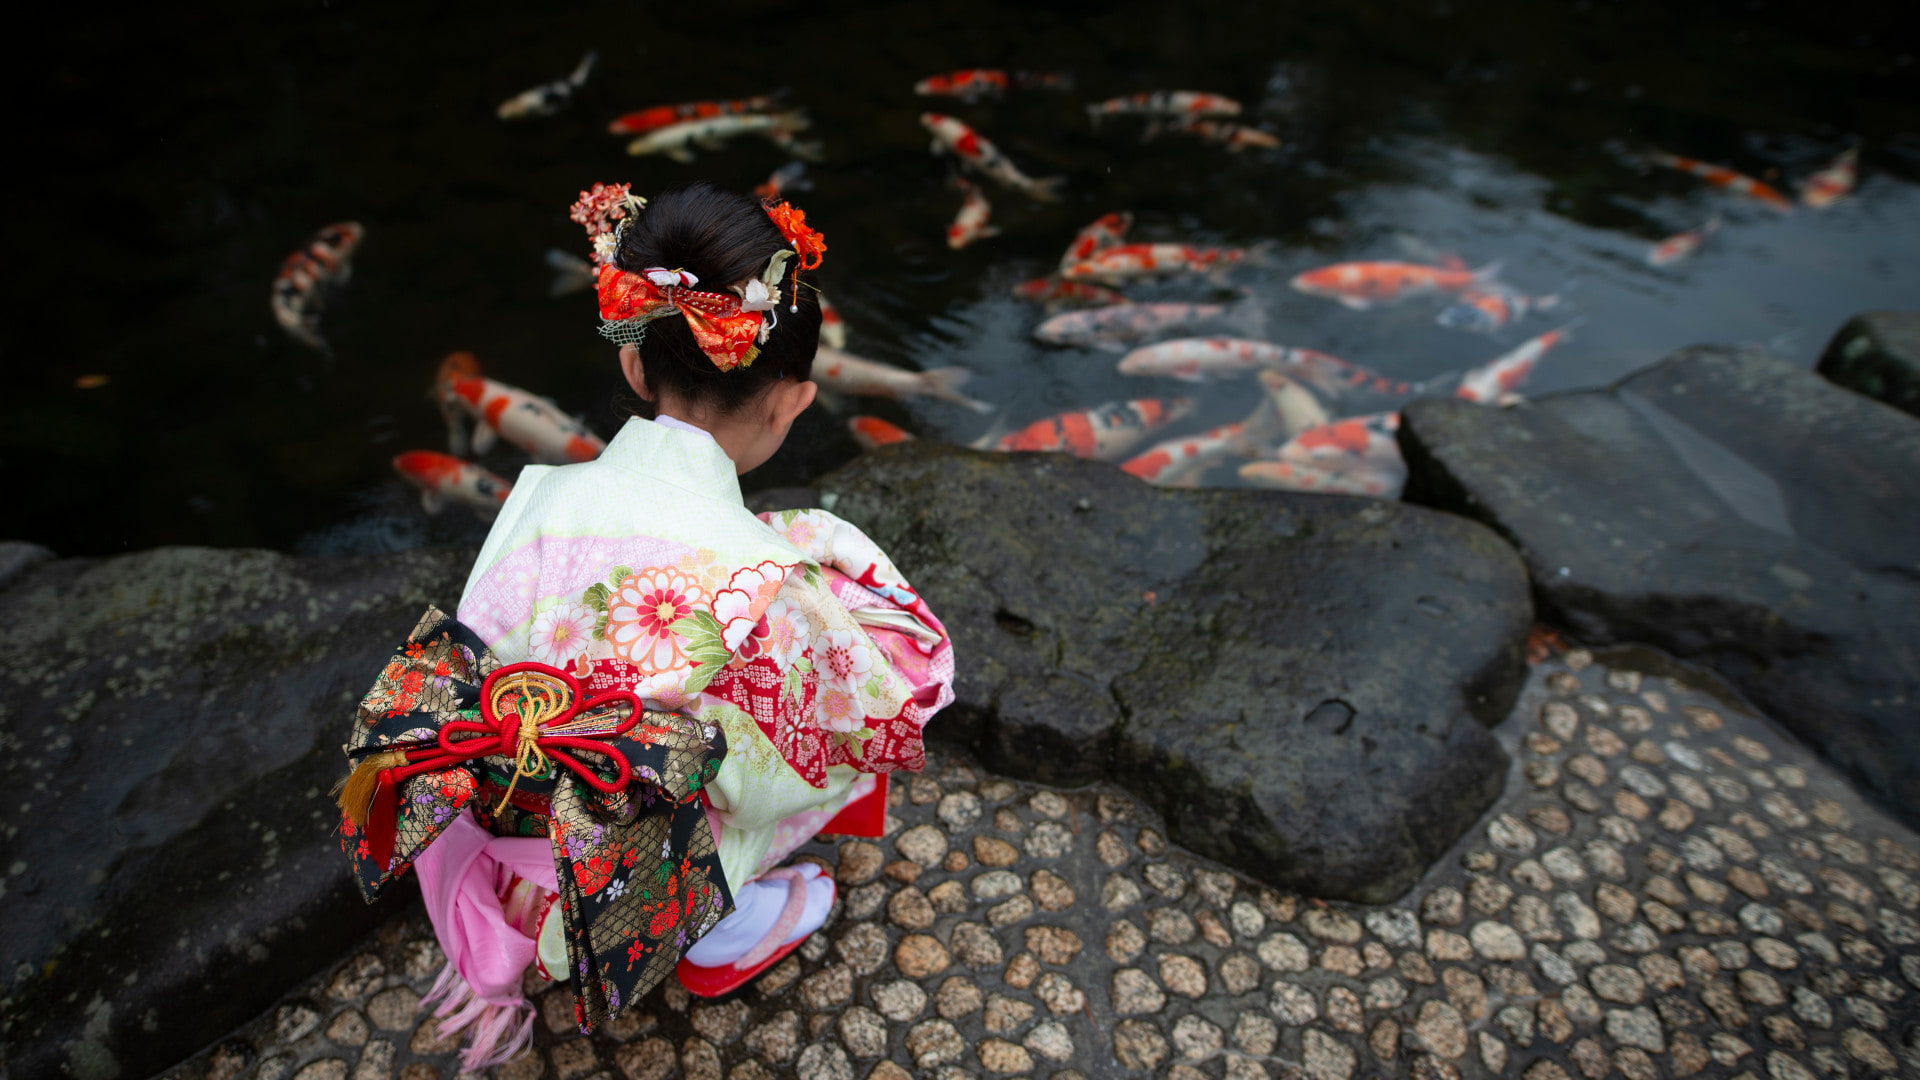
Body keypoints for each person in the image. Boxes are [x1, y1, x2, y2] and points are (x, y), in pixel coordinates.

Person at [333, 181, 953, 1071]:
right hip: (614, 877)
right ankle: (713, 934)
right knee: (824, 736)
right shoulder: (765, 581)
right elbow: (776, 781)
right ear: (793, 403)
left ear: (633, 366)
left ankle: (634, 906)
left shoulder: (538, 495)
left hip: (510, 837)